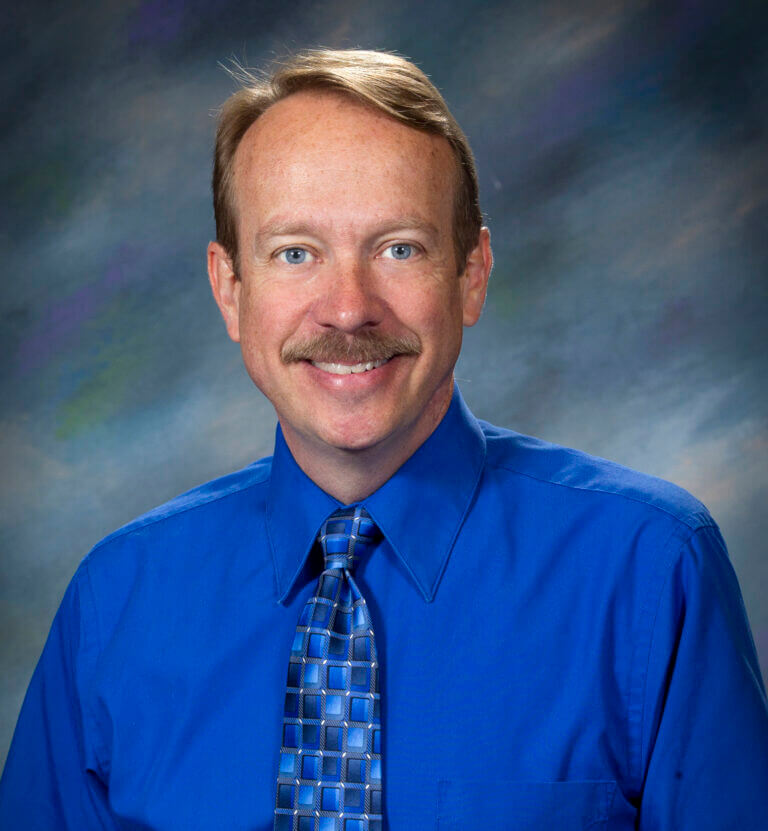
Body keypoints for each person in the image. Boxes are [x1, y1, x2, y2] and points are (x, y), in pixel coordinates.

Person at [1, 48, 766, 830]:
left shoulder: (648, 570)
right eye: (295, 253)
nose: (347, 309)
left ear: (471, 274)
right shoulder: (117, 600)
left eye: (399, 247)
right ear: (231, 289)